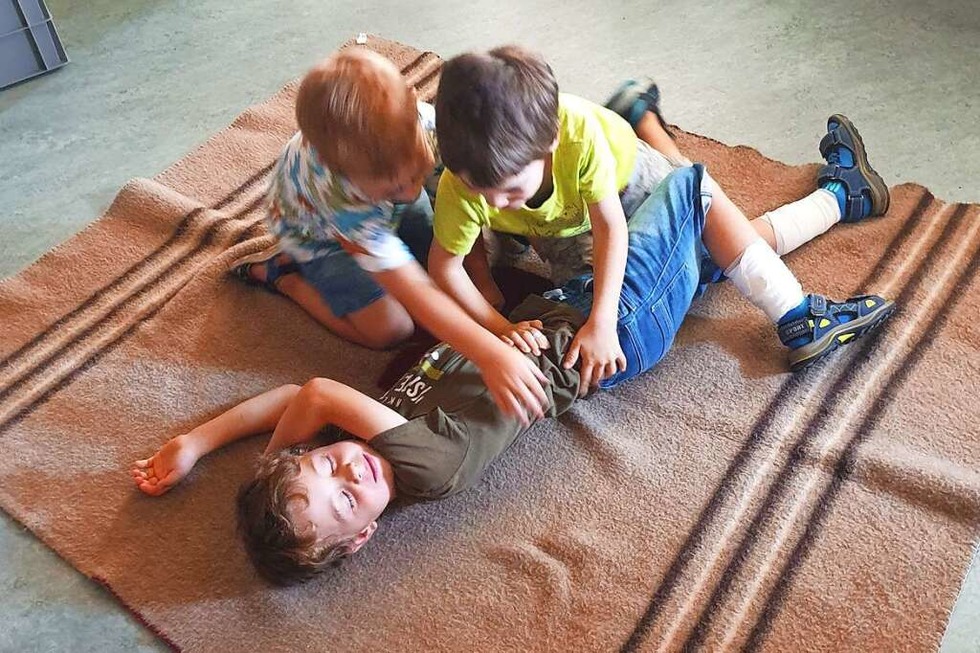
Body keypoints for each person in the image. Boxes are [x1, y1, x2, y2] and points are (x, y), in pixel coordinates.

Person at [132, 151, 894, 585]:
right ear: (362, 537)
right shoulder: (423, 468)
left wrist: (200, 442)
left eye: (324, 466)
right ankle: (801, 318)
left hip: (571, 310)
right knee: (690, 189)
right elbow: (312, 392)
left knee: (717, 248)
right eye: (339, 503)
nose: (345, 475)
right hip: (612, 327)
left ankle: (841, 196)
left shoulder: (381, 445)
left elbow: (294, 405)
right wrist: (277, 462)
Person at [428, 45, 893, 380]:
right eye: (477, 189)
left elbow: (611, 226)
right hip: (565, 230)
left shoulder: (578, 136)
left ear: (548, 144)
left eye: (508, 190)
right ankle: (840, 194)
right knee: (713, 254)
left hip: (631, 184)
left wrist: (603, 322)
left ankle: (802, 304)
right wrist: (499, 329)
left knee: (704, 214)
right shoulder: (464, 178)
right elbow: (444, 266)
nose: (490, 204)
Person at [233, 47, 550, 424]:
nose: (412, 191)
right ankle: (284, 277)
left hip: (376, 212)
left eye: (417, 172)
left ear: (415, 107)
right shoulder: (341, 196)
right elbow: (412, 289)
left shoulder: (426, 124)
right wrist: (490, 351)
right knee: (390, 330)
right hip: (320, 235)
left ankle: (393, 206)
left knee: (439, 239)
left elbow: (456, 209)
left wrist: (480, 279)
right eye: (393, 186)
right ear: (340, 169)